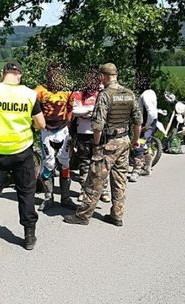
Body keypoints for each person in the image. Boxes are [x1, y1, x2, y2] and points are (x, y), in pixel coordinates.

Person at [0, 61, 46, 252]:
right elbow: (41, 123)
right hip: (22, 151)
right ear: (20, 75)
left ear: (2, 74)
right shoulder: (30, 95)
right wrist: (31, 127)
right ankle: (29, 235)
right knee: (26, 192)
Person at [63, 63, 142, 226]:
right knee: (120, 179)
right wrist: (135, 140)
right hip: (124, 140)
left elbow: (98, 125)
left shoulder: (105, 95)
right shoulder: (129, 93)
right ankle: (117, 215)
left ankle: (83, 215)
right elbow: (138, 120)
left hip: (108, 143)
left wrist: (97, 144)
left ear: (103, 76)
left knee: (95, 179)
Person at [35, 64, 77, 211]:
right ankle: (48, 198)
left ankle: (65, 198)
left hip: (62, 130)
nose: (55, 77)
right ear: (48, 75)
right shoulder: (39, 90)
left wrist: (68, 125)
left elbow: (71, 108)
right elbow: (32, 108)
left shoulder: (68, 91)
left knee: (65, 163)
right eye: (52, 74)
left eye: (58, 74)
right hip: (46, 131)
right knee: (48, 164)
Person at [71, 70, 111, 203]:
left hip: (100, 132)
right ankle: (84, 190)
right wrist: (92, 111)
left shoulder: (103, 93)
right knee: (85, 164)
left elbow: (107, 112)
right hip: (83, 133)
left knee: (101, 163)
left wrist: (86, 112)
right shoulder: (79, 93)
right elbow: (75, 111)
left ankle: (103, 190)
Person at [128, 88, 163, 182]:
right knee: (146, 144)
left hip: (148, 123)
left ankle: (136, 170)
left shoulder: (145, 95)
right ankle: (147, 168)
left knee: (139, 143)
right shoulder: (151, 93)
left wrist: (146, 126)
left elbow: (151, 112)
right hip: (152, 122)